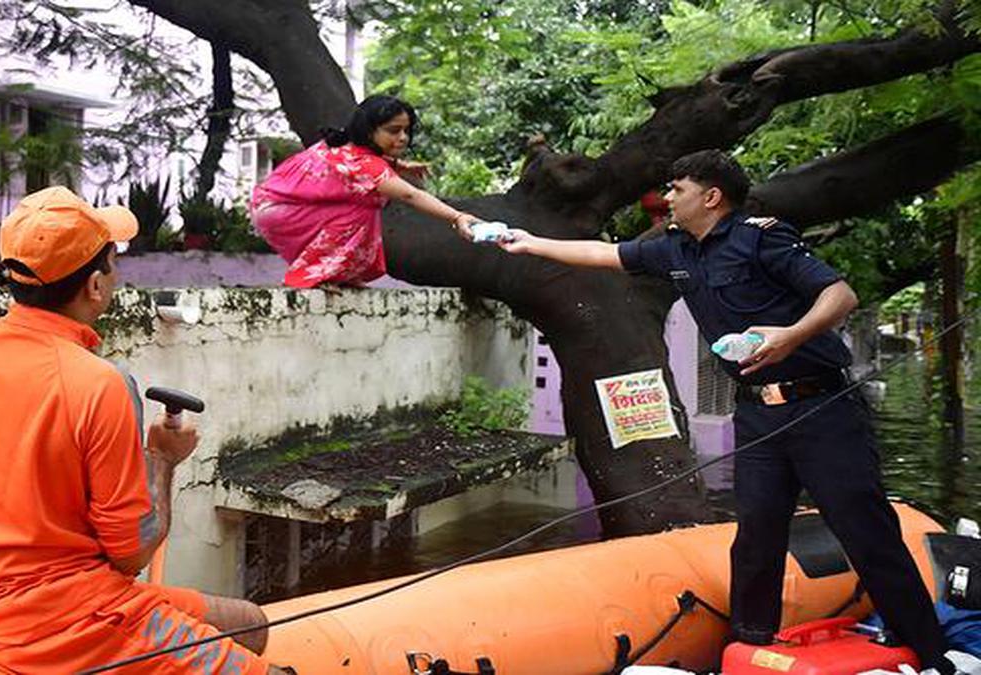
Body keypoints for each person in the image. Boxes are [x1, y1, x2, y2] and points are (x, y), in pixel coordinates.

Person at [492, 150, 955, 673]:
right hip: (756, 415)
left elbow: (839, 294)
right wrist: (527, 243)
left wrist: (790, 336)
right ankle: (749, 646)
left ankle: (931, 653)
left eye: (677, 188)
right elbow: (604, 255)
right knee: (755, 534)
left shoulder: (763, 237)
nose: (667, 198)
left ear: (710, 196)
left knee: (863, 528)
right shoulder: (676, 250)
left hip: (821, 408)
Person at [0, 186, 290, 674]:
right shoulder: (99, 383)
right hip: (84, 628)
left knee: (250, 623)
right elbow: (130, 556)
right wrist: (163, 460)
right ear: (95, 286)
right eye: (112, 262)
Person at [250, 94, 481, 289]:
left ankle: (334, 274)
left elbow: (348, 168)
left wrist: (400, 166)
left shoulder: (345, 143)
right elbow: (410, 195)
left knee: (364, 205)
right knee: (363, 209)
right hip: (282, 210)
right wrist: (457, 217)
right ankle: (312, 275)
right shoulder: (367, 165)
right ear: (369, 131)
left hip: (272, 207)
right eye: (394, 130)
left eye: (406, 130)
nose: (402, 137)